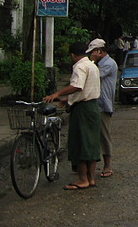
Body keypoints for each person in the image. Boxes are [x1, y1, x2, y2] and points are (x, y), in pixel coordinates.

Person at [44, 41, 101, 190]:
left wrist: (57, 93)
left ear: (72, 55)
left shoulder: (80, 67)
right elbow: (85, 89)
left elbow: (77, 86)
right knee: (92, 143)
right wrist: (68, 99)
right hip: (93, 107)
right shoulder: (92, 65)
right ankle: (91, 178)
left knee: (79, 143)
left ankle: (83, 179)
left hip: (82, 110)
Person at [87, 38, 117, 178]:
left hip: (103, 105)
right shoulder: (98, 64)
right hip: (95, 103)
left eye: (92, 53)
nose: (90, 55)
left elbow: (93, 77)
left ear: (99, 51)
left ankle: (107, 165)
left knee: (104, 136)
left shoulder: (108, 64)